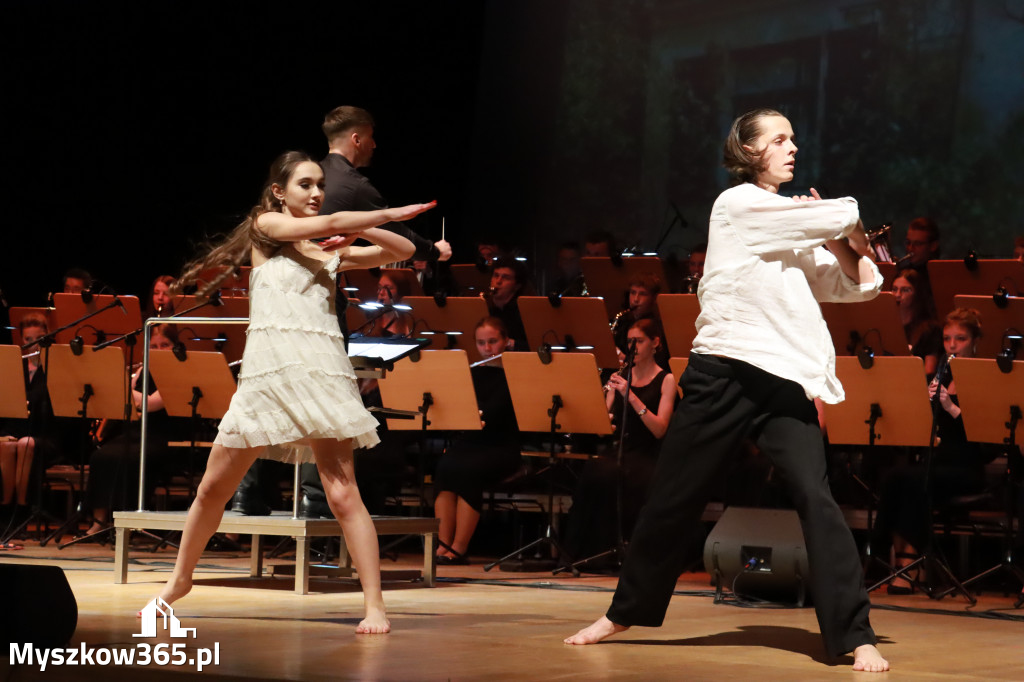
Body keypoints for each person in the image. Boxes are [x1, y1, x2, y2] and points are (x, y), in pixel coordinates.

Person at [564, 108, 889, 672]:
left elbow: (862, 286)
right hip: (724, 372)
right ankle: (623, 612)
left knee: (816, 498)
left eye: (793, 139)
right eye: (779, 139)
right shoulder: (737, 205)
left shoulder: (790, 222)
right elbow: (844, 214)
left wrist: (841, 240)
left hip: (781, 380)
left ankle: (854, 634)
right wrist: (841, 224)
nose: (793, 148)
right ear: (750, 151)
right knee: (674, 495)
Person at [151, 151, 434, 635]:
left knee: (344, 494)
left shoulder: (329, 252)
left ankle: (375, 606)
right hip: (267, 376)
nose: (316, 193)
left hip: (321, 375)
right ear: (280, 191)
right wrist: (385, 213)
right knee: (212, 487)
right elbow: (338, 219)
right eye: (305, 184)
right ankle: (180, 581)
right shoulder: (267, 226)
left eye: (320, 185)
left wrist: (360, 233)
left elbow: (400, 253)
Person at [872, 308, 995, 594]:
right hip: (941, 461)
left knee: (914, 481)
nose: (952, 345)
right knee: (896, 477)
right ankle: (889, 561)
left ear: (975, 342)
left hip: (968, 467)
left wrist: (952, 408)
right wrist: (924, 404)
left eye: (961, 339)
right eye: (947, 338)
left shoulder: (983, 377)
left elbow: (986, 443)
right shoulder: (943, 373)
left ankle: (906, 565)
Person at [566, 318, 676, 560]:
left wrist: (631, 395)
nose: (632, 347)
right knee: (594, 472)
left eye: (638, 341)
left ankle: (631, 554)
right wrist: (598, 409)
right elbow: (604, 425)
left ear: (655, 343)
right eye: (629, 342)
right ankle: (591, 554)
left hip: (648, 453)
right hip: (619, 449)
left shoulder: (666, 379)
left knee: (629, 477)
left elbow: (659, 429)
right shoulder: (620, 376)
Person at [433, 318, 522, 564]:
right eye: (481, 343)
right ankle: (442, 545)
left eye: (493, 342)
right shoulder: (471, 373)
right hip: (471, 442)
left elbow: (496, 412)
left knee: (467, 471)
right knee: (445, 466)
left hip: (501, 446)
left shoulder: (515, 374)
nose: (487, 348)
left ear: (506, 342)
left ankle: (459, 548)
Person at [85, 324, 188, 535]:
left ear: (175, 346)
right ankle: (99, 521)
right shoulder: (143, 369)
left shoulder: (180, 370)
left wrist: (118, 387)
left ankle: (126, 523)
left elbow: (151, 403)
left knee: (132, 459)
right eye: (153, 346)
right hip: (136, 432)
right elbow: (128, 398)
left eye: (164, 345)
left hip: (164, 436)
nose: (158, 350)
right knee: (100, 456)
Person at [0, 315, 53, 532]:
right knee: (5, 445)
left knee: (25, 444)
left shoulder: (54, 367)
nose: (33, 344)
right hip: (19, 430)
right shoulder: (15, 367)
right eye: (27, 339)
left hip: (46, 433)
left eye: (38, 338)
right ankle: (6, 509)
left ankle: (22, 509)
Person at [892, 270, 941, 376]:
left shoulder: (930, 329)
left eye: (905, 290)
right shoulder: (887, 325)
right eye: (894, 289)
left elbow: (929, 370)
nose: (898, 295)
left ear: (917, 294)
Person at [485, 256, 529, 351]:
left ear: (517, 286)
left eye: (506, 278)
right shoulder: (485, 309)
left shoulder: (524, 313)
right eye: (496, 276)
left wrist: (509, 343)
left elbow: (534, 346)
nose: (498, 281)